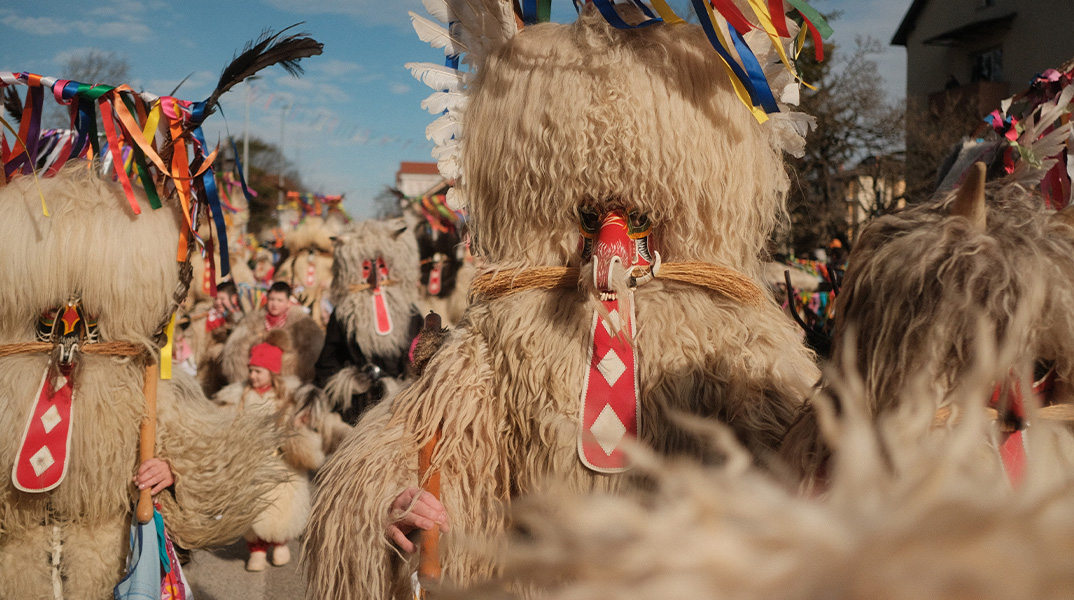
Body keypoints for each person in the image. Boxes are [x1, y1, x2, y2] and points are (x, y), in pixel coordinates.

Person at [214, 334, 322, 572]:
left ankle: (280, 542)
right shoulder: (240, 396)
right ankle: (257, 549)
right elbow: (226, 423)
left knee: (282, 503)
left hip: (280, 460)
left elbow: (295, 424)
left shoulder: (286, 398)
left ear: (272, 372)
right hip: (250, 462)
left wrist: (297, 425)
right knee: (252, 507)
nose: (252, 376)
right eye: (251, 370)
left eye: (258, 371)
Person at [221, 281, 324, 385]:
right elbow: (239, 348)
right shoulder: (253, 321)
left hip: (285, 376)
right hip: (254, 374)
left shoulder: (301, 324)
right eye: (271, 299)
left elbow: (308, 351)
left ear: (288, 303)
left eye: (280, 300)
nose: (274, 304)